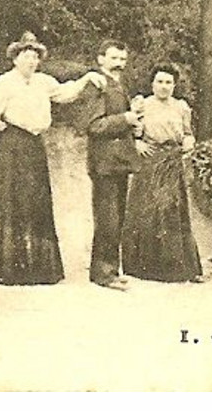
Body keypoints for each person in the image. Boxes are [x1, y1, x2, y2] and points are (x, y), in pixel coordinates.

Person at [0, 32, 103, 284]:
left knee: (33, 202)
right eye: (26, 56)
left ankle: (32, 268)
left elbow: (64, 93)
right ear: (15, 58)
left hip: (34, 147)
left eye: (35, 57)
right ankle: (2, 268)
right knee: (8, 201)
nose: (31, 61)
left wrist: (86, 79)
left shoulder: (43, 82)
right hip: (9, 146)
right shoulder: (3, 83)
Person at [121, 63, 203, 282]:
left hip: (172, 161)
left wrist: (189, 141)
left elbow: (187, 133)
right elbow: (130, 131)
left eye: (168, 82)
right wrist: (137, 143)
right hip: (150, 160)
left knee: (172, 211)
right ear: (152, 83)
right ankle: (144, 267)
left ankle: (177, 268)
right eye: (160, 81)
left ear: (175, 85)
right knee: (148, 210)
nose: (164, 86)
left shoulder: (181, 107)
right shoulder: (142, 105)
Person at [76, 39, 144, 290]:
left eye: (123, 59)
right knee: (107, 218)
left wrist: (134, 117)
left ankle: (111, 270)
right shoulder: (97, 85)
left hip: (119, 161)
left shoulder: (116, 84)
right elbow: (94, 126)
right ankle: (103, 273)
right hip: (104, 162)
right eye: (114, 58)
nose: (119, 64)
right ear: (100, 59)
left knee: (117, 216)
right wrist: (125, 118)